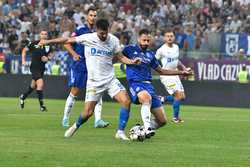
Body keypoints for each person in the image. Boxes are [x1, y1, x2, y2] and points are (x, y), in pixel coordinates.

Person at [38, 18, 141, 140]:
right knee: (88, 113)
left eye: (105, 33)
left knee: (126, 101)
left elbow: (120, 57)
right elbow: (67, 40)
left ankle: (120, 131)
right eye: (101, 33)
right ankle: (75, 126)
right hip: (94, 83)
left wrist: (132, 62)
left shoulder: (113, 40)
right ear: (97, 30)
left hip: (110, 80)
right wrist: (49, 41)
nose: (103, 35)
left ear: (108, 30)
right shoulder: (88, 37)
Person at [122, 29, 192, 138]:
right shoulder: (129, 50)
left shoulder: (150, 55)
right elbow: (118, 56)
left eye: (148, 40)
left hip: (148, 86)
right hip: (135, 84)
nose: (146, 43)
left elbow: (162, 70)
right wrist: (129, 62)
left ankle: (140, 131)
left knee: (162, 120)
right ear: (138, 39)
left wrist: (181, 72)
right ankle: (147, 128)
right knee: (146, 98)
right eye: (144, 40)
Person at [62, 7, 109, 128]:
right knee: (74, 92)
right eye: (91, 15)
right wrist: (74, 54)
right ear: (87, 17)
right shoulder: (80, 30)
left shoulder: (100, 32)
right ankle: (65, 118)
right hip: (80, 65)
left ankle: (98, 120)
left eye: (95, 15)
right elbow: (66, 43)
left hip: (94, 66)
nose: (93, 17)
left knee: (98, 92)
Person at [156, 28, 191, 123]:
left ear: (174, 37)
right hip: (166, 75)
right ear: (164, 38)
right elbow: (153, 61)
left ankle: (162, 98)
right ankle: (175, 118)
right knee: (178, 95)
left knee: (182, 97)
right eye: (167, 36)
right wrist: (160, 70)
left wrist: (183, 68)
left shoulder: (176, 47)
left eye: (171, 36)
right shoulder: (161, 50)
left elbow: (177, 60)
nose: (169, 38)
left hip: (175, 73)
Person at [19, 30, 53, 112]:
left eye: (45, 34)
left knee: (32, 87)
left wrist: (48, 58)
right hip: (34, 68)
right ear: (39, 35)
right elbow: (24, 50)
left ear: (47, 36)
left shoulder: (49, 46)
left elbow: (50, 56)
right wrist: (23, 61)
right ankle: (42, 106)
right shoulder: (33, 43)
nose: (44, 35)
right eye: (42, 34)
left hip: (41, 69)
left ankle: (22, 97)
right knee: (40, 84)